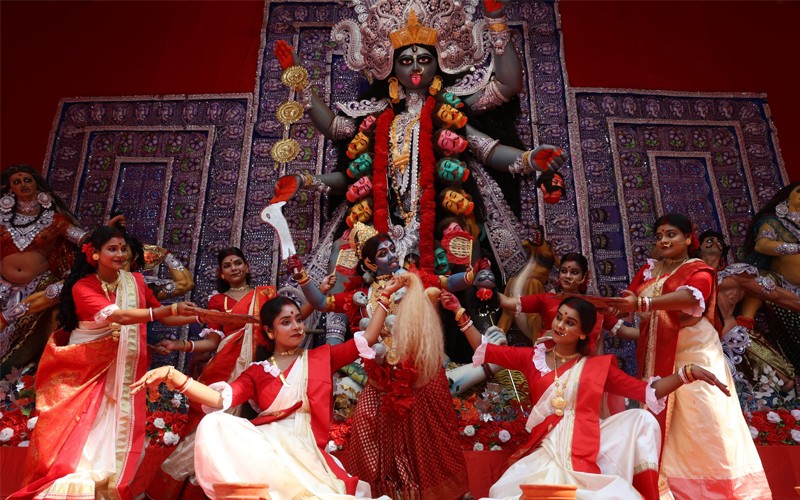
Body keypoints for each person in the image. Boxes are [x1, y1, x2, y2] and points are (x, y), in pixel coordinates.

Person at [446, 293, 729, 500]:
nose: (560, 325)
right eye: (559, 317)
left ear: (582, 334)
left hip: (586, 443)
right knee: (516, 492)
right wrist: (460, 313)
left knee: (641, 420)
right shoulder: (533, 358)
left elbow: (646, 391)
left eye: (570, 323)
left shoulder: (595, 368)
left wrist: (686, 373)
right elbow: (486, 350)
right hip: (547, 448)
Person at [131, 291, 391, 499]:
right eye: (286, 322)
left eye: (299, 320)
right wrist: (173, 375)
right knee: (214, 422)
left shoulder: (322, 356)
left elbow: (367, 338)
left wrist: (384, 300)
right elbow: (221, 400)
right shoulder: (257, 371)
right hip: (268, 444)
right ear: (269, 331)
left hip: (308, 445)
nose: (297, 327)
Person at [11, 226, 206, 500]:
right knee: (82, 421)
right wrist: (170, 308)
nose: (120, 254)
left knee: (113, 418)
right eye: (112, 249)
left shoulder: (134, 283)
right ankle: (74, 482)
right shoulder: (83, 286)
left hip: (120, 365)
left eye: (123, 248)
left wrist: (200, 317)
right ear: (94, 253)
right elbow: (120, 317)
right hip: (85, 367)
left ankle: (104, 483)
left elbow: (162, 317)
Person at [148, 247, 336, 498]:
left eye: (238, 263)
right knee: (214, 423)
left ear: (247, 267)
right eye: (228, 265)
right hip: (228, 368)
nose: (234, 268)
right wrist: (180, 345)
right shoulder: (218, 301)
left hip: (264, 364)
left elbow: (290, 319)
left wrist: (320, 292)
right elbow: (215, 341)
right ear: (221, 274)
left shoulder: (266, 294)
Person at [609, 213, 771, 498]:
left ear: (688, 238)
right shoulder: (650, 269)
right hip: (657, 353)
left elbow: (689, 298)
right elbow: (629, 299)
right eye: (659, 236)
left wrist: (642, 304)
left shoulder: (698, 269)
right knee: (661, 423)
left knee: (704, 420)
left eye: (671, 234)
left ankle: (720, 492)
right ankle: (666, 490)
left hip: (696, 352)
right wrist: (612, 308)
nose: (663, 240)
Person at [345, 272, 468, 498]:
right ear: (369, 262)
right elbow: (367, 340)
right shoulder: (366, 294)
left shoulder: (418, 303)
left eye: (392, 251)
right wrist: (385, 295)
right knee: (368, 431)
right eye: (382, 253)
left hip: (417, 383)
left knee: (426, 445)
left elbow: (448, 284)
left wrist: (468, 278)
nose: (390, 258)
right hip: (379, 382)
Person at [0, 165, 121, 373]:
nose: (23, 184)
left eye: (27, 180)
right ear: (10, 190)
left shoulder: (55, 221)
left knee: (27, 334)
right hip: (2, 286)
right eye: (17, 181)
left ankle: (24, 378)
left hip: (37, 287)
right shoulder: (1, 219)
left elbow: (85, 240)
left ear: (37, 184)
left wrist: (108, 232)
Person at [696, 230, 798, 392]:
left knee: (785, 381)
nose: (715, 242)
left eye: (718, 240)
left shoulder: (735, 275)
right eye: (709, 240)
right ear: (698, 247)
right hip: (701, 347)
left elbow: (776, 294)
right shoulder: (686, 277)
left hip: (735, 339)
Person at [497, 252, 639, 344]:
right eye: (564, 271)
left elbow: (625, 332)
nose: (567, 276)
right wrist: (484, 289)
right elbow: (508, 302)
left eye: (574, 272)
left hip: (581, 369)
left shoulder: (595, 305)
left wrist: (656, 327)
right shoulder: (546, 299)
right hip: (549, 362)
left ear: (584, 277)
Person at [744, 182, 800, 373]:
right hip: (782, 286)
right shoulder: (773, 221)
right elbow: (763, 245)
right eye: (799, 191)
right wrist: (795, 248)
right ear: (786, 197)